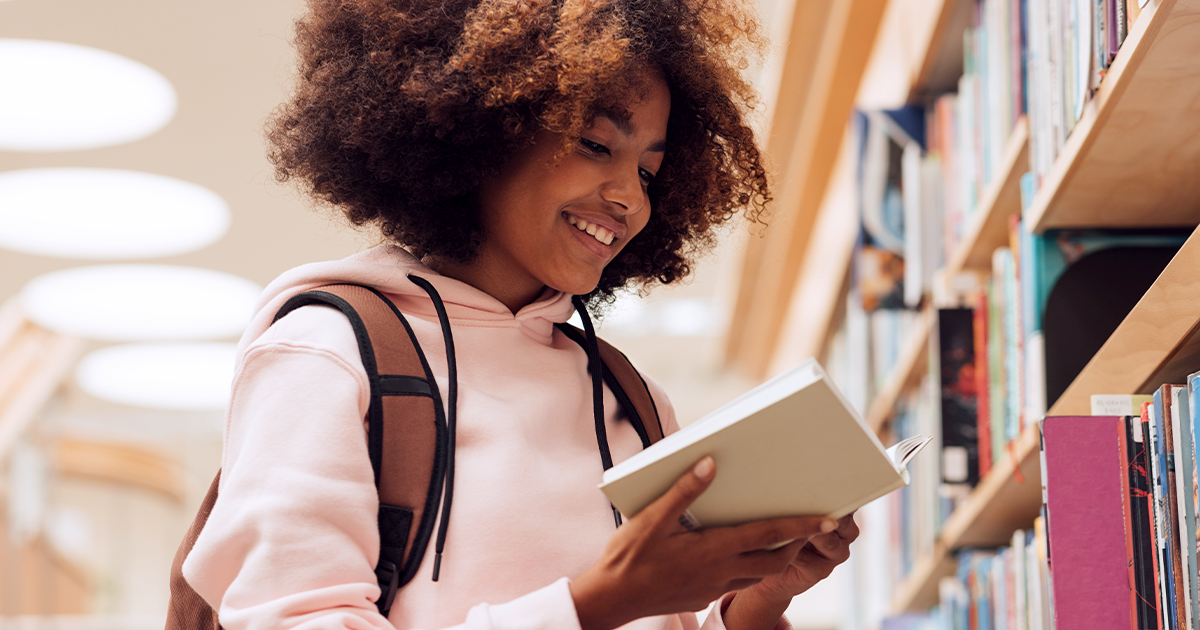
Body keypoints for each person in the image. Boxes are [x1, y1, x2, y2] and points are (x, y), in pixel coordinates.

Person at [180, 0, 859, 629]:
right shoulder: (328, 351)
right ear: (482, 129)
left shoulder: (629, 397)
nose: (629, 197)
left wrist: (753, 606)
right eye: (596, 144)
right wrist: (595, 603)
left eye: (650, 172)